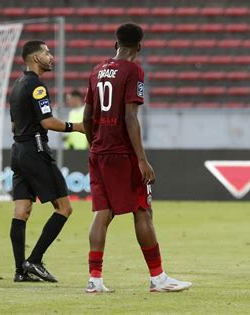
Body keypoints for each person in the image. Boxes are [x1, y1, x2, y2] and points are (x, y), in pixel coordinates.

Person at [82, 23, 192, 293]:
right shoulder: (133, 70)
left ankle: (94, 280)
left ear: (115, 43)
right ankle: (158, 278)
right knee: (143, 210)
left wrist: (95, 144)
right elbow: (130, 116)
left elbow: (87, 116)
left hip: (98, 151)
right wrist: (141, 159)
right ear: (139, 46)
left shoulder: (97, 71)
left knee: (102, 212)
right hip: (122, 153)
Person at [8, 40, 85, 283]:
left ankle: (20, 270)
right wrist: (79, 127)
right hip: (35, 150)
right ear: (34, 58)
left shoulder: (17, 85)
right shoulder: (37, 86)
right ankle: (35, 260)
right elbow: (48, 122)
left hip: (18, 152)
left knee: (21, 211)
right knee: (64, 208)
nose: (51, 57)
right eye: (46, 53)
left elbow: (13, 124)